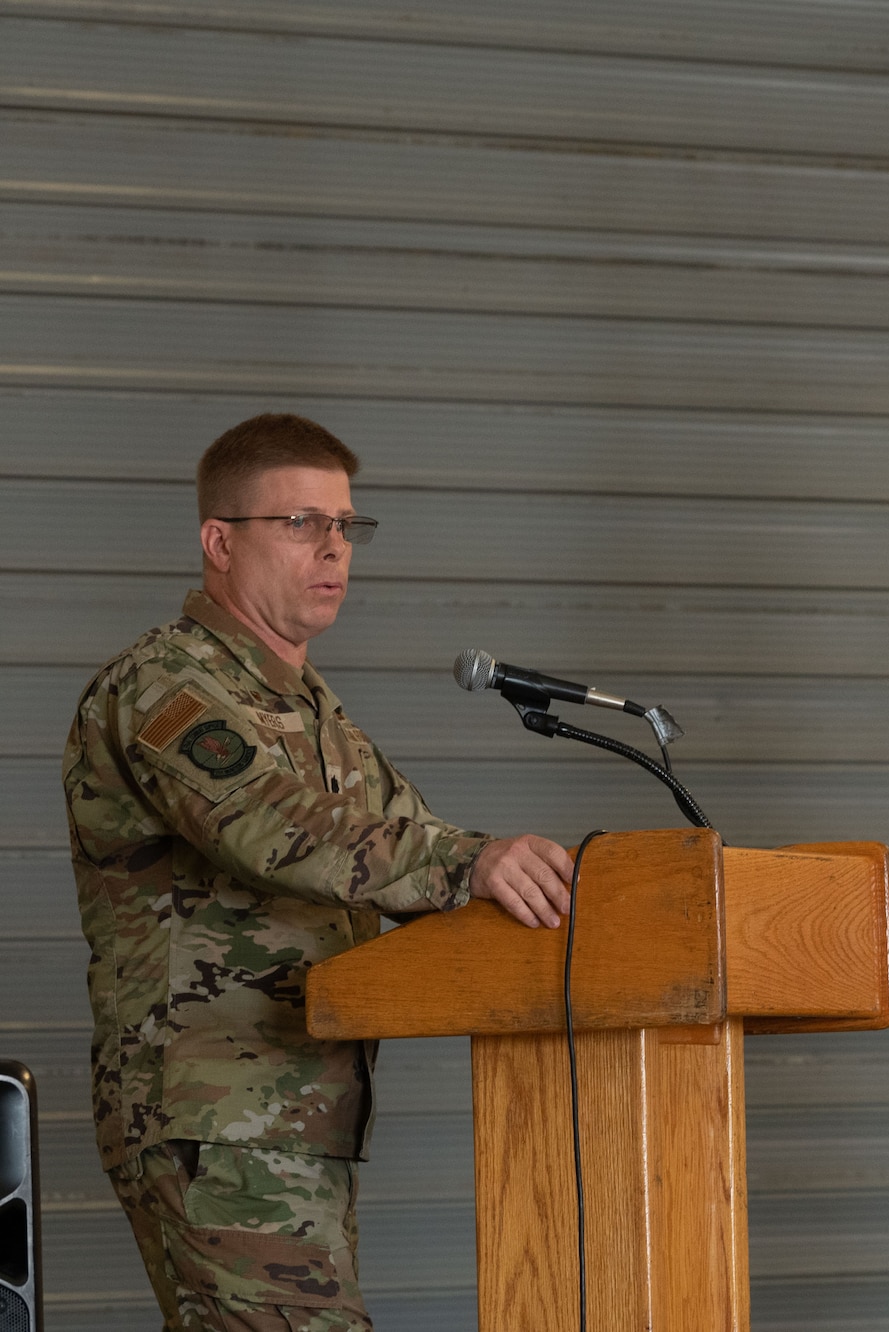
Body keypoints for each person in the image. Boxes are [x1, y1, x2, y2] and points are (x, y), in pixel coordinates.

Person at [62, 413, 576, 1331]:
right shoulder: (165, 688)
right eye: (300, 523)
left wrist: (570, 894)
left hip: (294, 1116)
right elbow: (277, 826)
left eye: (346, 526)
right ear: (219, 542)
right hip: (213, 1115)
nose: (334, 548)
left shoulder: (310, 709)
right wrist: (473, 862)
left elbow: (407, 837)